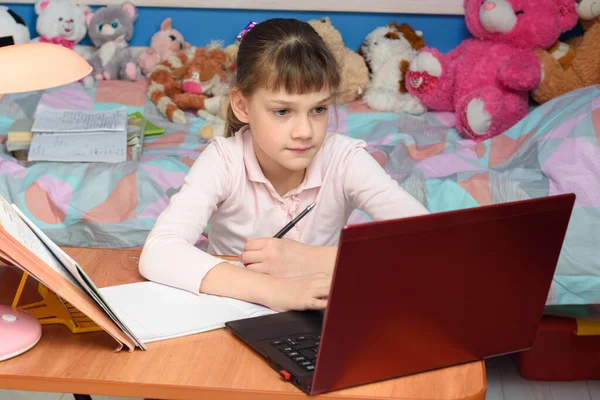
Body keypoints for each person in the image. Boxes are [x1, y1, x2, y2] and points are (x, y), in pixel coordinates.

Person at [139, 18, 429, 312]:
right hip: (232, 311)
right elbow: (159, 251)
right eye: (282, 111)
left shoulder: (345, 159)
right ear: (241, 106)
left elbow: (428, 241)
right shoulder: (223, 161)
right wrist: (273, 290)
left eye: (318, 109)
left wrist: (316, 259)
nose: (304, 131)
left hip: (318, 320)